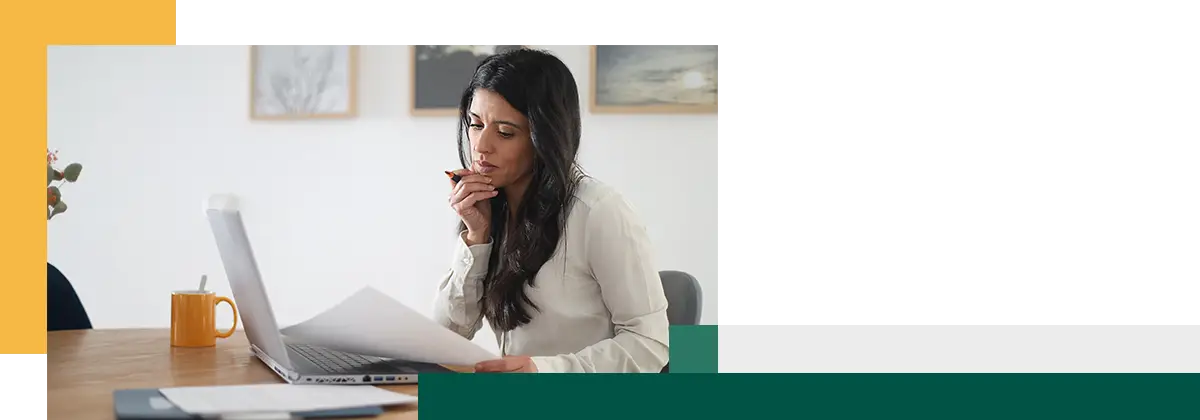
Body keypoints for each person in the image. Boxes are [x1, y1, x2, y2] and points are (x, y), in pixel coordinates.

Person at [432, 48, 670, 373]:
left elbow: (651, 344)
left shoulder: (599, 212)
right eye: (475, 125)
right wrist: (476, 237)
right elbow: (446, 335)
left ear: (544, 136)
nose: (481, 145)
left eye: (504, 132)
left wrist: (543, 371)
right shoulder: (485, 208)